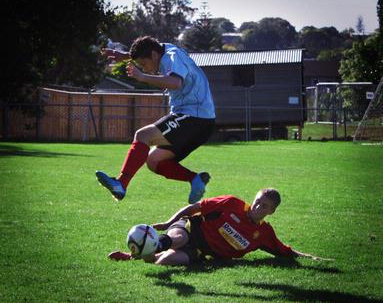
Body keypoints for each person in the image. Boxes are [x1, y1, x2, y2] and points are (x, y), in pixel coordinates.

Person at [96, 36, 215, 204]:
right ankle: (196, 180)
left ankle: (121, 183)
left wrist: (142, 76)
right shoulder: (164, 50)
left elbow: (175, 82)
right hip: (200, 121)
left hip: (194, 117)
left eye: (144, 64)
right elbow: (152, 48)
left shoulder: (171, 57)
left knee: (143, 135)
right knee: (153, 161)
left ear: (153, 55)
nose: (146, 68)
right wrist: (125, 55)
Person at [108, 188, 332, 265]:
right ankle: (134, 253)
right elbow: (195, 207)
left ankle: (143, 253)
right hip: (190, 228)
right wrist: (168, 222)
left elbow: (285, 251)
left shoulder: (263, 234)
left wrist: (311, 257)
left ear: (272, 211)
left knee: (165, 261)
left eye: (265, 207)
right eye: (257, 201)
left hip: (201, 250)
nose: (258, 207)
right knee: (177, 239)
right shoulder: (232, 204)